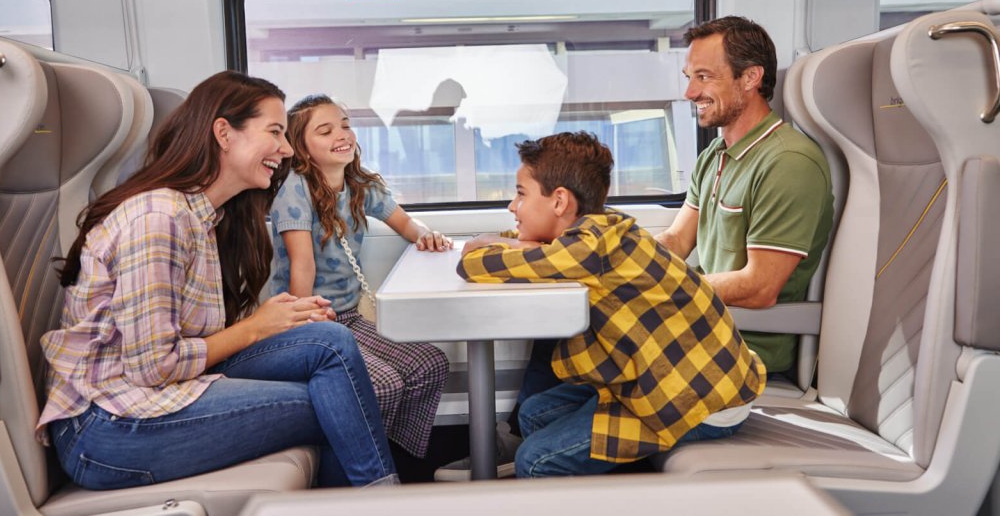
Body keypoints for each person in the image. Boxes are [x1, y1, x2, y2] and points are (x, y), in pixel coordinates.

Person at [38, 71, 397, 490]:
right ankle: (379, 500)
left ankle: (369, 499)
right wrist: (256, 327)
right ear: (224, 133)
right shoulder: (159, 220)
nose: (285, 149)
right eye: (275, 132)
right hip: (111, 428)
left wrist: (278, 318)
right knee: (334, 403)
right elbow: (152, 366)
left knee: (330, 341)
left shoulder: (206, 215)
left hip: (160, 391)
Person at [455, 132, 766, 478]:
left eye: (520, 194)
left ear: (559, 202)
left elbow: (473, 264)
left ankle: (549, 477)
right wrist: (512, 242)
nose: (512, 207)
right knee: (534, 412)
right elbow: (538, 247)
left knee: (535, 459)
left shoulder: (586, 252)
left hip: (699, 399)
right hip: (669, 379)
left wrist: (484, 242)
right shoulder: (601, 228)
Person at [270, 93, 450, 461]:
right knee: (384, 385)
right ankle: (357, 464)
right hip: (312, 319)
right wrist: (306, 327)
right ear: (302, 149)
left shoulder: (359, 185)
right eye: (326, 130)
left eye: (345, 125)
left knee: (430, 364)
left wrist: (426, 235)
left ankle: (399, 458)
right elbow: (302, 263)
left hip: (349, 315)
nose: (342, 134)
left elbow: (404, 221)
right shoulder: (294, 192)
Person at [656, 15, 834, 377]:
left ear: (750, 77)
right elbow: (676, 240)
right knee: (548, 393)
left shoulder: (788, 162)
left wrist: (663, 292)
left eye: (704, 77)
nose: (690, 93)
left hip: (738, 355)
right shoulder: (715, 156)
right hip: (696, 333)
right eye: (689, 78)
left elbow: (759, 287)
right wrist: (611, 261)